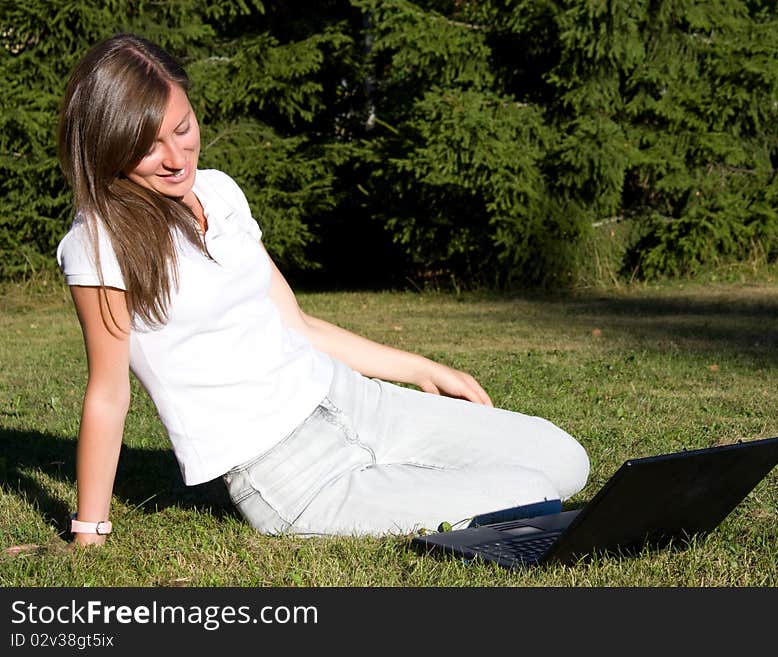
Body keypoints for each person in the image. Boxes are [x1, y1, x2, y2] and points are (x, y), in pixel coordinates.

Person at [56, 33, 590, 547]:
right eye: (148, 146)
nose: (177, 157)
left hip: (348, 400)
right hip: (289, 474)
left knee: (566, 460)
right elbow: (108, 392)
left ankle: (401, 474)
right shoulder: (98, 243)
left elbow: (298, 324)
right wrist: (90, 532)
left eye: (183, 127)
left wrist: (425, 369)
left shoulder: (217, 193)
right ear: (111, 146)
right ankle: (398, 486)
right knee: (533, 493)